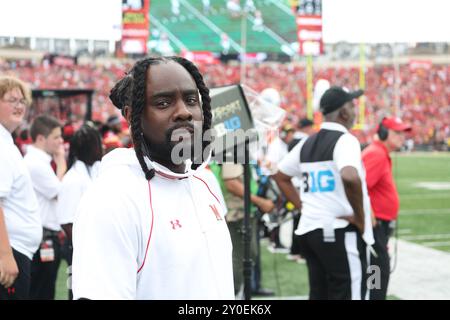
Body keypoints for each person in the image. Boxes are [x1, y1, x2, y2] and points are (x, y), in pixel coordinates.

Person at [71, 56, 234, 299]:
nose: (183, 113)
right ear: (131, 116)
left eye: (191, 100)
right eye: (163, 103)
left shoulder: (204, 183)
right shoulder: (112, 199)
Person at [274, 86, 374, 300]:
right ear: (343, 112)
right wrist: (360, 216)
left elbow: (280, 175)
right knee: (350, 293)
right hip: (337, 230)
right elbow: (349, 176)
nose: (355, 111)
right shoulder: (345, 140)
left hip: (311, 230)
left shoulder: (308, 142)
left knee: (320, 294)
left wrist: (305, 206)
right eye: (351, 106)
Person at [0, 76, 42, 300]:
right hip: (11, 251)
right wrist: (5, 255)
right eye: (11, 100)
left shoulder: (7, 142)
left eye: (22, 101)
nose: (19, 106)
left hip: (16, 249)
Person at [362, 116, 411, 300]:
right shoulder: (376, 154)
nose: (401, 137)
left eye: (402, 133)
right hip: (374, 228)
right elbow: (358, 188)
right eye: (397, 133)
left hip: (379, 227)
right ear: (383, 133)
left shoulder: (380, 153)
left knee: (378, 272)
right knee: (376, 274)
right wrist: (370, 216)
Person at [57, 124, 103, 299]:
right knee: (79, 292)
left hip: (94, 246)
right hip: (78, 248)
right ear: (87, 148)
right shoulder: (73, 179)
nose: (102, 147)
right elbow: (67, 222)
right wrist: (84, 248)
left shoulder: (97, 170)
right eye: (97, 143)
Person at [24, 115, 67, 300]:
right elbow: (61, 193)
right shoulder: (35, 164)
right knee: (43, 291)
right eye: (56, 137)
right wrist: (62, 164)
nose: (61, 141)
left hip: (45, 235)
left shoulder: (37, 161)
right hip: (44, 236)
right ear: (41, 138)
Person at [220, 163, 275, 297]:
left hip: (243, 214)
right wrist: (260, 202)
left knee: (248, 256)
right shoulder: (232, 151)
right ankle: (232, 294)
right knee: (240, 259)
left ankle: (240, 291)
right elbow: (231, 183)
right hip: (237, 215)